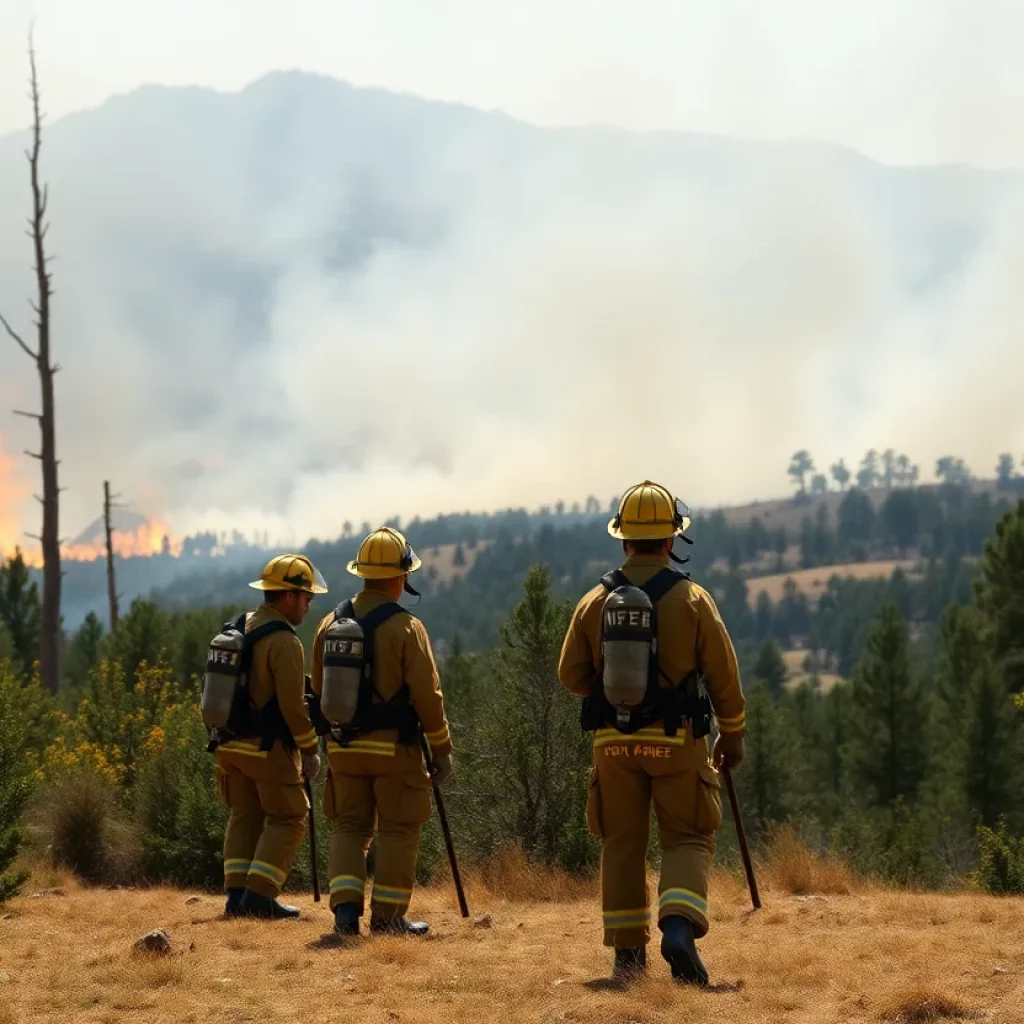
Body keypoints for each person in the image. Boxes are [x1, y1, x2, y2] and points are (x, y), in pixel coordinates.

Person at [558, 481, 746, 984]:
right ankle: (678, 928)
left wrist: (613, 692)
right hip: (677, 741)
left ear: (623, 541)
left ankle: (628, 956)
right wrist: (732, 733)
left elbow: (569, 675)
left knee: (621, 842)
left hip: (612, 744)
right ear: (671, 539)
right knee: (687, 835)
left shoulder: (594, 601)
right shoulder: (693, 599)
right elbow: (723, 675)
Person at [309, 526, 453, 937]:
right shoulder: (407, 627)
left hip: (343, 747)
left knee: (349, 826)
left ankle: (345, 914)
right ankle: (388, 919)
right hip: (394, 751)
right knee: (398, 828)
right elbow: (428, 695)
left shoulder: (328, 624)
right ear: (402, 575)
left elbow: (317, 688)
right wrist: (441, 749)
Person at [214, 552, 327, 920]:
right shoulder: (285, 642)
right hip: (266, 749)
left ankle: (236, 897)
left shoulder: (240, 626)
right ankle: (260, 896)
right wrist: (310, 751)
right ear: (289, 596)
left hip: (229, 744)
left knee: (244, 814)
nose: (308, 606)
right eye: (306, 598)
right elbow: (293, 707)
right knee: (290, 815)